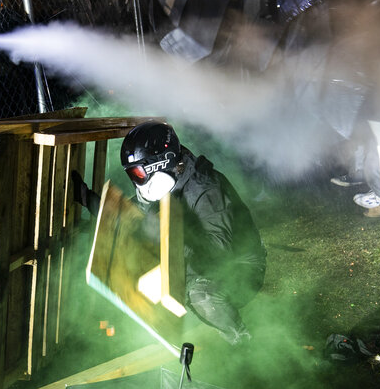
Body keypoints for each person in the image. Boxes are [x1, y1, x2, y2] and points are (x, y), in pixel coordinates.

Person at [78, 121, 266, 345]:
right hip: (200, 259)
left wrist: (169, 240)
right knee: (139, 256)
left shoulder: (205, 189)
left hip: (241, 267)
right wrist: (87, 198)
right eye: (133, 175)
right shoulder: (171, 181)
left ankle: (241, 338)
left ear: (161, 164)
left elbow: (219, 252)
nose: (138, 182)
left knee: (201, 295)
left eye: (139, 173)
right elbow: (132, 217)